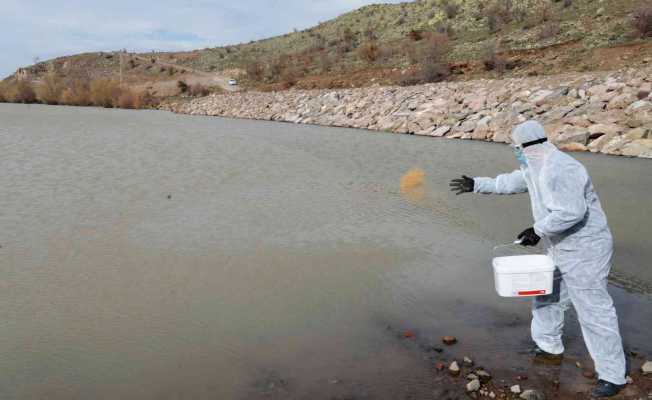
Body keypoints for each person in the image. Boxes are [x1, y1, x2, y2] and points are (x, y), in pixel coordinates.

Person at [449, 120, 627, 398]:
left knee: (594, 311)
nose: (515, 152)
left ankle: (613, 375)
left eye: (516, 148)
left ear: (527, 146)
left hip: (586, 249)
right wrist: (477, 184)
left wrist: (537, 230)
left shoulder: (563, 168)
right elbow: (511, 181)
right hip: (560, 246)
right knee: (546, 295)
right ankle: (548, 347)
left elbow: (572, 212)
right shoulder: (535, 167)